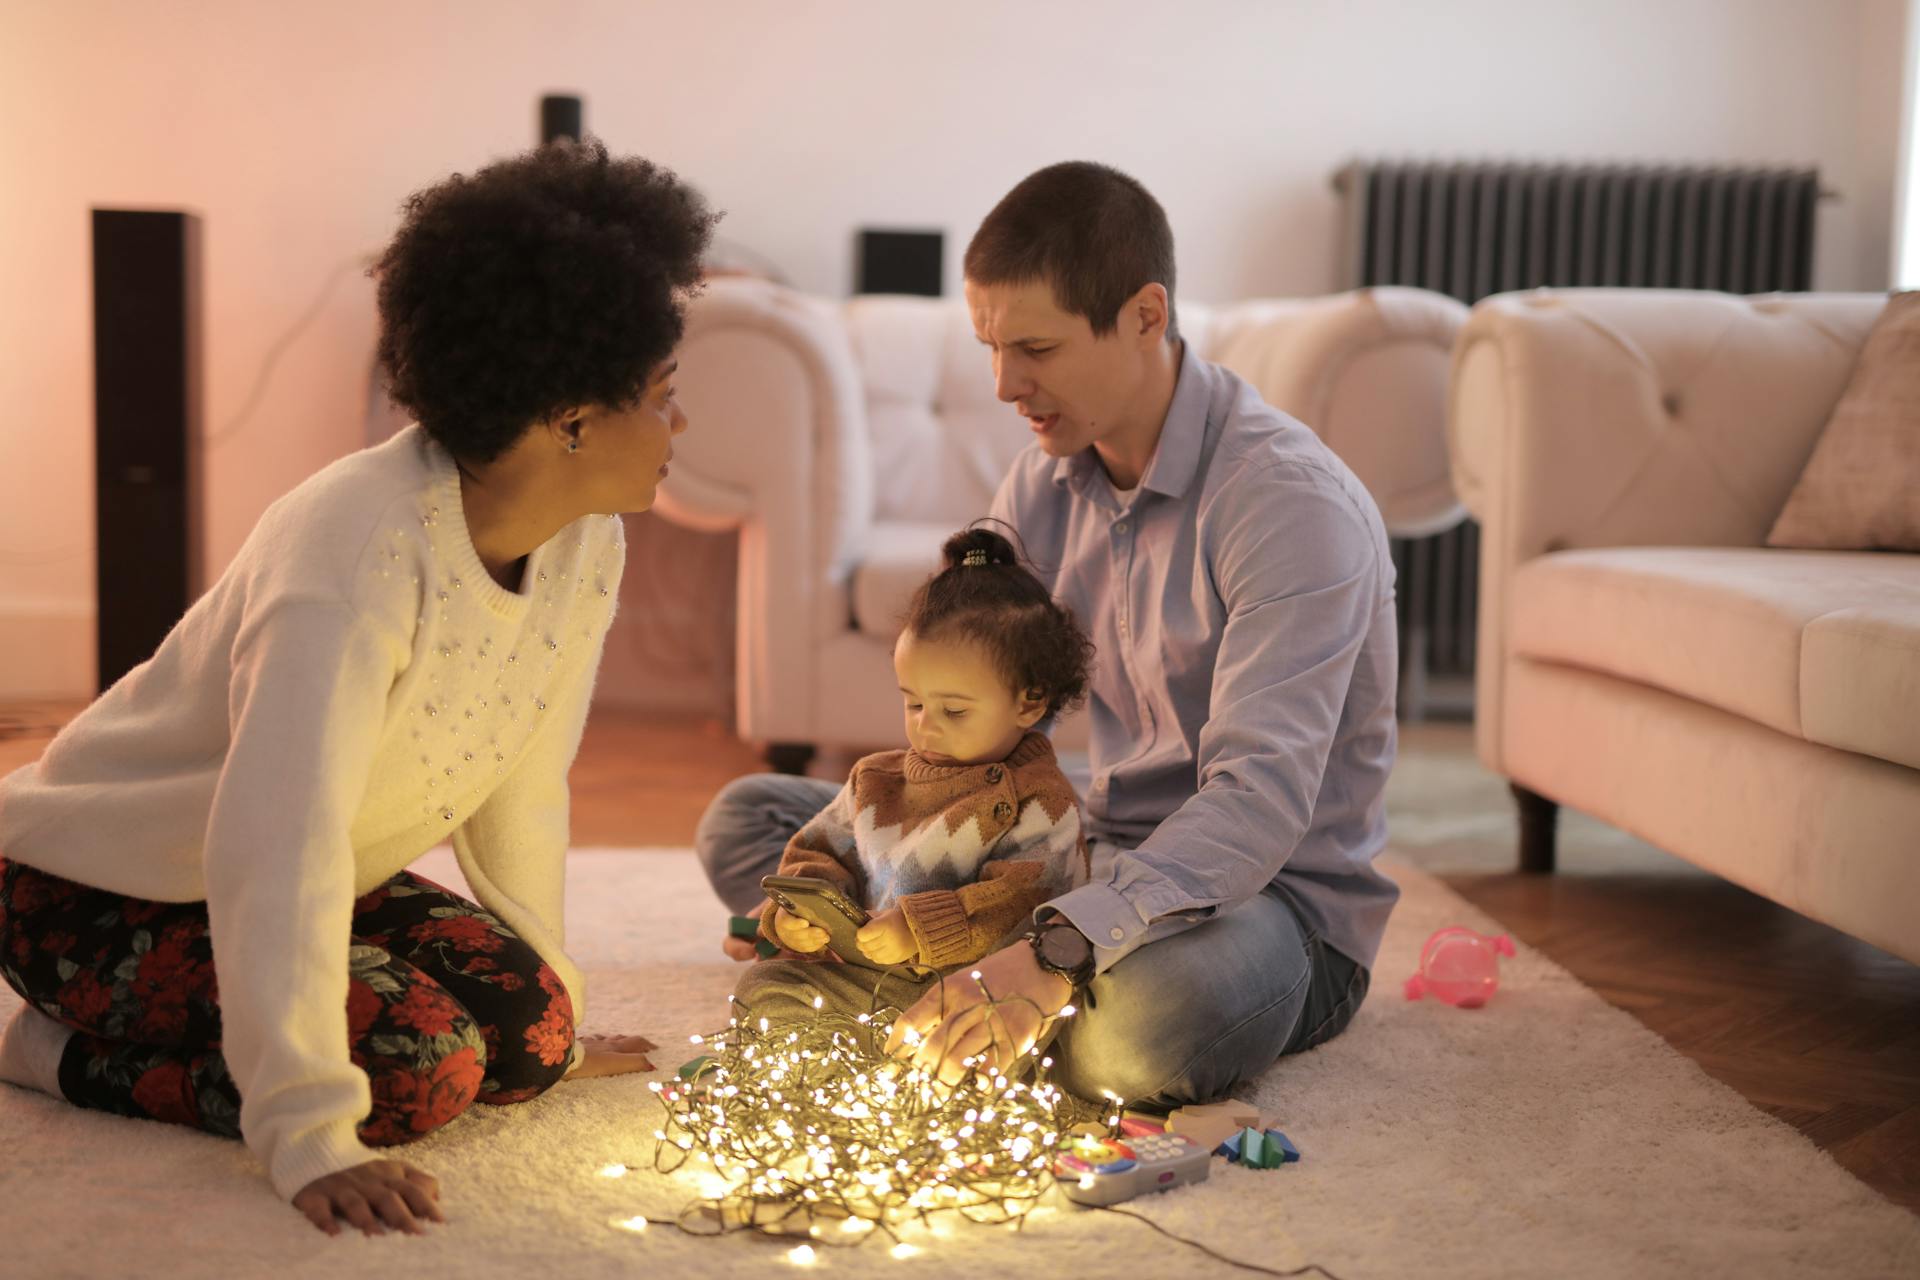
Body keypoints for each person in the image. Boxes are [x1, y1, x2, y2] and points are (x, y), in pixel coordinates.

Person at [0, 139, 716, 1236]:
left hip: (291, 859)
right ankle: (52, 1052)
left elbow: (520, 781)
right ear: (571, 416)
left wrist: (561, 1020)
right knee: (416, 1069)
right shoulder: (353, 551)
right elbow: (273, 841)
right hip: (93, 888)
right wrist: (304, 1126)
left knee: (522, 1039)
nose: (680, 427)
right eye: (665, 398)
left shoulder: (585, 539)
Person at [698, 159, 1399, 1109]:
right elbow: (969, 659)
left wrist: (1052, 949)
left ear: (1147, 316)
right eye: (990, 346)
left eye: (1035, 348)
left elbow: (1258, 807)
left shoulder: (1285, 505)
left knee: (1133, 1042)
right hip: (1082, 846)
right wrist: (872, 862)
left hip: (1267, 902)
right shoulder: (1047, 477)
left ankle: (931, 979)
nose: (1003, 384)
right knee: (751, 820)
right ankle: (940, 966)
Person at [727, 525, 1093, 1025]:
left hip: (978, 995)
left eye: (955, 711)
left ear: (1030, 702)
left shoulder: (1042, 801)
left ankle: (892, 1049)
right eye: (914, 702)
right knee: (761, 991)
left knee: (1046, 1032)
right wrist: (793, 918)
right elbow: (816, 854)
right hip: (871, 978)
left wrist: (921, 928)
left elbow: (1021, 904)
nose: (926, 725)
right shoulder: (874, 780)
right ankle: (864, 1042)